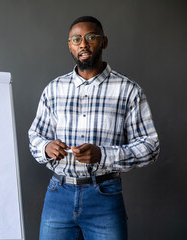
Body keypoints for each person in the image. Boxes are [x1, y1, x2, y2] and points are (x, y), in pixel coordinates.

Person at [28, 16, 160, 240]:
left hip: (104, 196)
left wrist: (103, 154)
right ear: (69, 45)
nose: (83, 44)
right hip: (58, 194)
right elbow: (35, 136)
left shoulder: (128, 90)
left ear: (104, 42)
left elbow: (150, 147)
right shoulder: (54, 89)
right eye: (76, 39)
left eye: (91, 37)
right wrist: (46, 146)